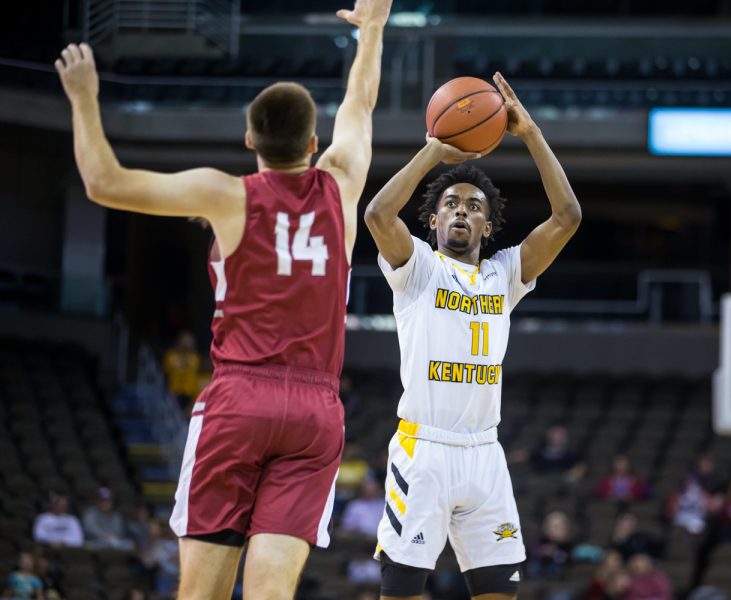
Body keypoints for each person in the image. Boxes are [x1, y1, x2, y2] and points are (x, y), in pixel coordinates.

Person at [54, 0, 392, 596]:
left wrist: (83, 96)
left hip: (241, 396)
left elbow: (103, 182)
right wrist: (372, 31)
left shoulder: (226, 195)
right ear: (315, 141)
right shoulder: (340, 184)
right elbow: (361, 104)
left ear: (248, 139)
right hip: (316, 410)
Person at [365, 72, 581, 599]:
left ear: (488, 226)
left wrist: (529, 133)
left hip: (486, 453)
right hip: (425, 449)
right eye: (451, 204)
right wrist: (432, 153)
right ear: (434, 220)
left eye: (474, 206)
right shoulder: (418, 268)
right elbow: (376, 213)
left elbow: (568, 216)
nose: (462, 209)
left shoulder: (505, 274)